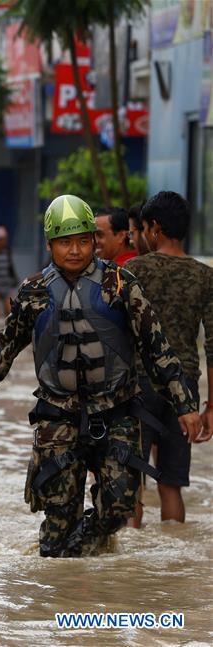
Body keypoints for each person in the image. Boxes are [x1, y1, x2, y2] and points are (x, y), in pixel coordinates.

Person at [0, 194, 201, 558]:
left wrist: (185, 405)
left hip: (116, 411)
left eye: (83, 240)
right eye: (65, 242)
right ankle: (61, 578)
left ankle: (88, 549)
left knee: (119, 506)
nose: (75, 250)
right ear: (50, 244)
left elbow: (157, 347)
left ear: (93, 241)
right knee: (58, 516)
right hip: (58, 415)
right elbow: (5, 346)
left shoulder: (121, 284)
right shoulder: (33, 292)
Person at [124, 191, 213, 524]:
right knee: (171, 486)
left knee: (132, 480)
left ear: (155, 228)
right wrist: (211, 407)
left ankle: (129, 567)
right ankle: (171, 564)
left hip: (139, 385)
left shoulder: (133, 269)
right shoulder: (205, 276)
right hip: (186, 390)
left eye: (144, 228)